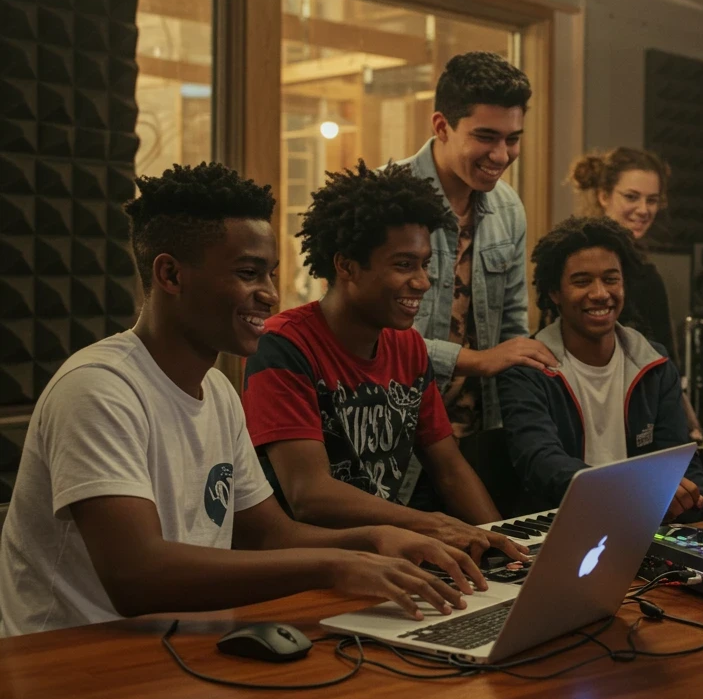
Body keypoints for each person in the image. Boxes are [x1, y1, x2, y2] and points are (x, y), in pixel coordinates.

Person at [0, 163, 484, 636]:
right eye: (249, 273)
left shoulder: (219, 393)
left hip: (178, 651)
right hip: (70, 669)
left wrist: (377, 539)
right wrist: (337, 565)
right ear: (170, 275)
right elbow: (136, 576)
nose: (271, 295)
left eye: (271, 274)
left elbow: (269, 534)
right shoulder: (98, 389)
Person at [240, 161, 525, 565]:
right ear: (346, 265)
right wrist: (430, 524)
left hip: (387, 562)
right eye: (404, 265)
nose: (423, 282)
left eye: (425, 264)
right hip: (308, 569)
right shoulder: (284, 345)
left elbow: (448, 467)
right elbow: (309, 494)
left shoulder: (408, 347)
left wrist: (507, 547)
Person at [395, 51, 556, 515]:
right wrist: (477, 361)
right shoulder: (385, 196)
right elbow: (369, 335)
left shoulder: (508, 208)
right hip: (394, 436)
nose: (501, 155)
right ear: (442, 126)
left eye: (513, 139)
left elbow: (512, 325)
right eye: (486, 137)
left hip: (477, 441)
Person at [498, 216, 703, 518]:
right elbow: (542, 464)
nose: (600, 293)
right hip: (559, 529)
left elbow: (682, 464)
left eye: (611, 279)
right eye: (582, 281)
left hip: (644, 528)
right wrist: (633, 488)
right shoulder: (527, 370)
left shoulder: (655, 364)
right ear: (554, 293)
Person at [570, 145, 702, 438]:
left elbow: (666, 361)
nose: (644, 210)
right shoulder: (568, 261)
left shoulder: (647, 275)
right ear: (604, 196)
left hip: (638, 416)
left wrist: (687, 423)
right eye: (632, 197)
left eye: (652, 200)